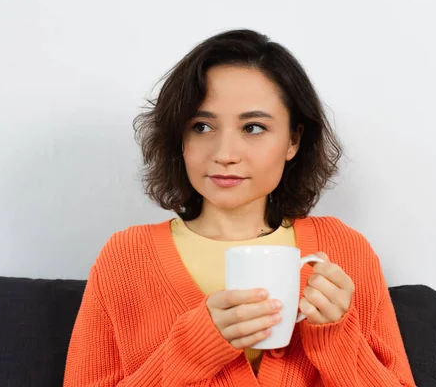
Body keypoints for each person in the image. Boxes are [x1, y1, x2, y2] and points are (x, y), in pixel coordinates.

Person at [63, 29, 415, 386]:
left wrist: (336, 339)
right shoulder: (125, 258)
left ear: (293, 140)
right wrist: (194, 348)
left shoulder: (344, 250)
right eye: (201, 126)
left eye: (254, 127)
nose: (225, 154)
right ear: (179, 137)